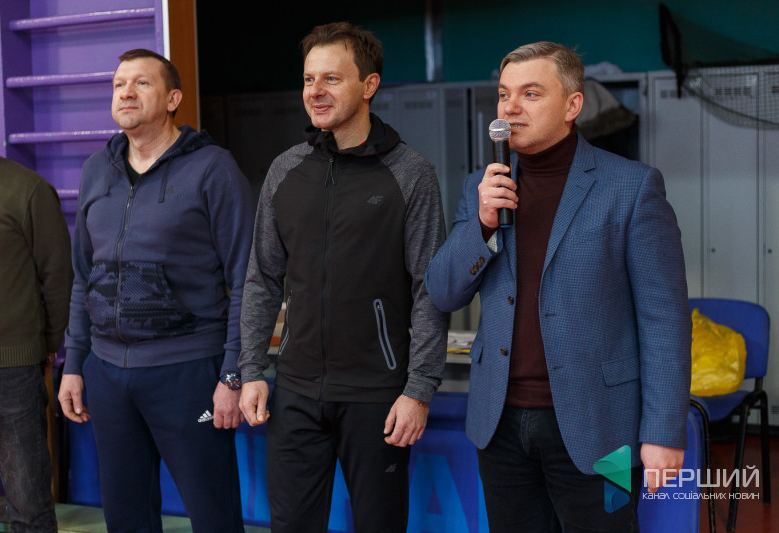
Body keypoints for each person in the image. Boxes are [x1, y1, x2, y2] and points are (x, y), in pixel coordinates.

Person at [425, 42, 691, 531]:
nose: (510, 107)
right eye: (504, 94)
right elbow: (443, 292)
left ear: (572, 105)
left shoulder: (631, 187)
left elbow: (664, 320)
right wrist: (481, 225)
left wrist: (663, 430)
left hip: (602, 426)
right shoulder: (482, 187)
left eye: (530, 93)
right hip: (499, 425)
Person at [238, 22, 448, 533]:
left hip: (377, 396)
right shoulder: (285, 171)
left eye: (331, 78)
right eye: (309, 79)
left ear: (368, 85)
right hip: (295, 392)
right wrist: (251, 370)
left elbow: (429, 289)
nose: (316, 91)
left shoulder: (410, 174)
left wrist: (419, 390)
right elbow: (262, 279)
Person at [57, 49, 253, 532]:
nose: (126, 92)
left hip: (187, 370)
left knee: (213, 514)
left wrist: (233, 374)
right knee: (126, 517)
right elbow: (83, 275)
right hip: (107, 373)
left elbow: (247, 280)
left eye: (141, 83)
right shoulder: (96, 170)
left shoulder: (213, 169)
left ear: (172, 99)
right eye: (118, 84)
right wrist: (74, 364)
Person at [0, 81, 72, 532]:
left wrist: (44, 344)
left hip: (11, 371)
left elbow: (58, 276)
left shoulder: (27, 189)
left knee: (28, 506)